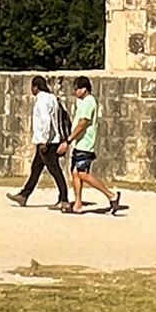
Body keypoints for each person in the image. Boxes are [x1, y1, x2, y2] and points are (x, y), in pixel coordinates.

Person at [63, 76, 122, 214]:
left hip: (85, 143)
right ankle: (77, 204)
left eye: (77, 89)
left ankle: (111, 195)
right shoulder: (84, 102)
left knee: (83, 173)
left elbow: (83, 122)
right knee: (75, 172)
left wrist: (70, 138)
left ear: (84, 89)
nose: (75, 92)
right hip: (80, 143)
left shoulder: (89, 101)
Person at [10, 76, 71, 209]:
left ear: (36, 87)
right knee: (36, 168)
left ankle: (64, 198)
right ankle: (24, 195)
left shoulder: (42, 99)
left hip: (47, 141)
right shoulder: (52, 98)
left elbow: (45, 120)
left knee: (54, 170)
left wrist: (44, 141)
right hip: (52, 139)